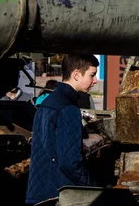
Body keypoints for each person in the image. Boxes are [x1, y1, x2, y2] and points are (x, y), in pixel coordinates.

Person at [26, 54, 99, 204]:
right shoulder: (68, 109)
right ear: (76, 75)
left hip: (39, 192)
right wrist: (93, 188)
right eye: (92, 75)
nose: (95, 80)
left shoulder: (47, 104)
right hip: (60, 195)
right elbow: (69, 162)